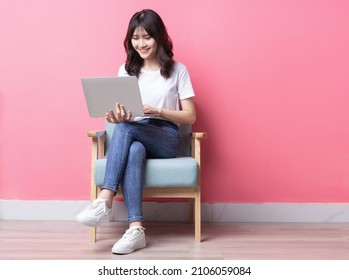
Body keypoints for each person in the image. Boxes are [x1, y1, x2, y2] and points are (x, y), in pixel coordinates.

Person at [76, 9, 196, 254]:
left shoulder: (177, 70)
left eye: (147, 37)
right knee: (133, 147)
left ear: (159, 37)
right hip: (134, 132)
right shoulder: (126, 69)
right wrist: (115, 115)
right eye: (136, 38)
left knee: (127, 128)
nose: (141, 44)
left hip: (166, 136)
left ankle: (105, 198)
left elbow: (190, 116)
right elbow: (121, 113)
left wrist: (158, 111)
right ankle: (135, 229)